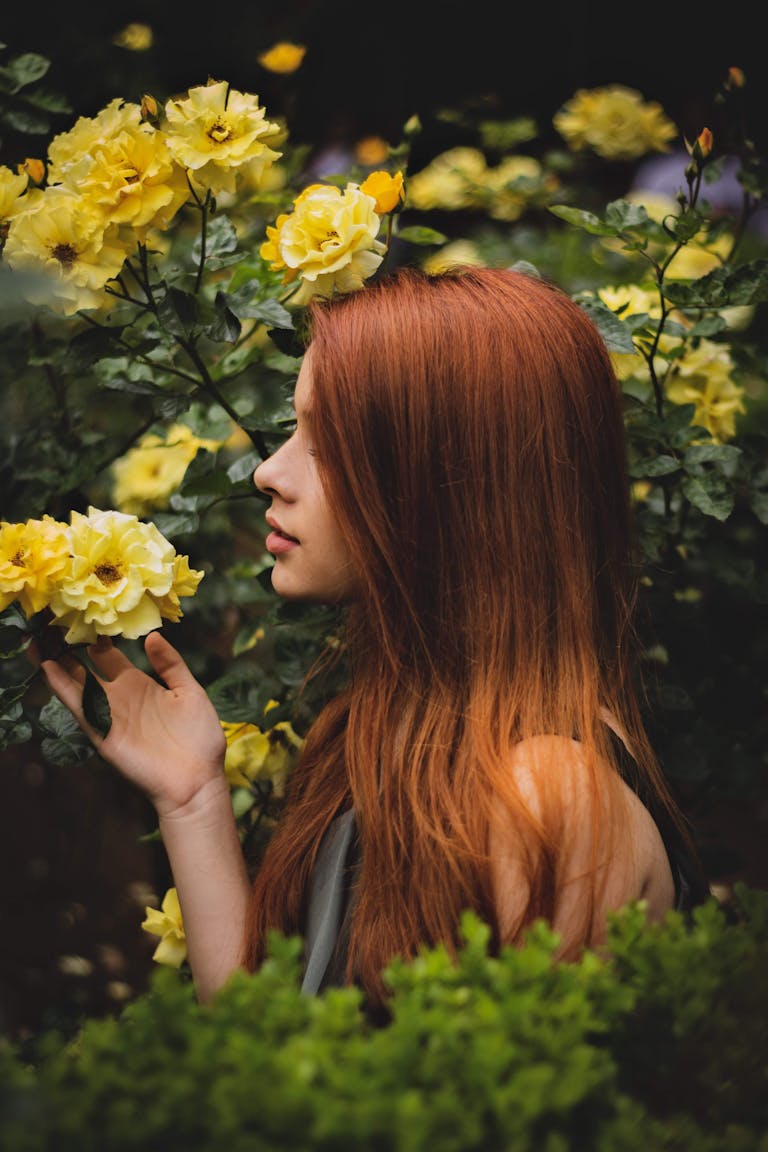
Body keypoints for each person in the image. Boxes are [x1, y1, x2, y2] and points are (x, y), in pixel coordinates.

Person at [40, 264, 707, 1014]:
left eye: (327, 441)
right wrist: (192, 797)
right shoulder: (388, 734)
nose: (268, 471)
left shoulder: (550, 796)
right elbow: (276, 1065)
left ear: (450, 484)